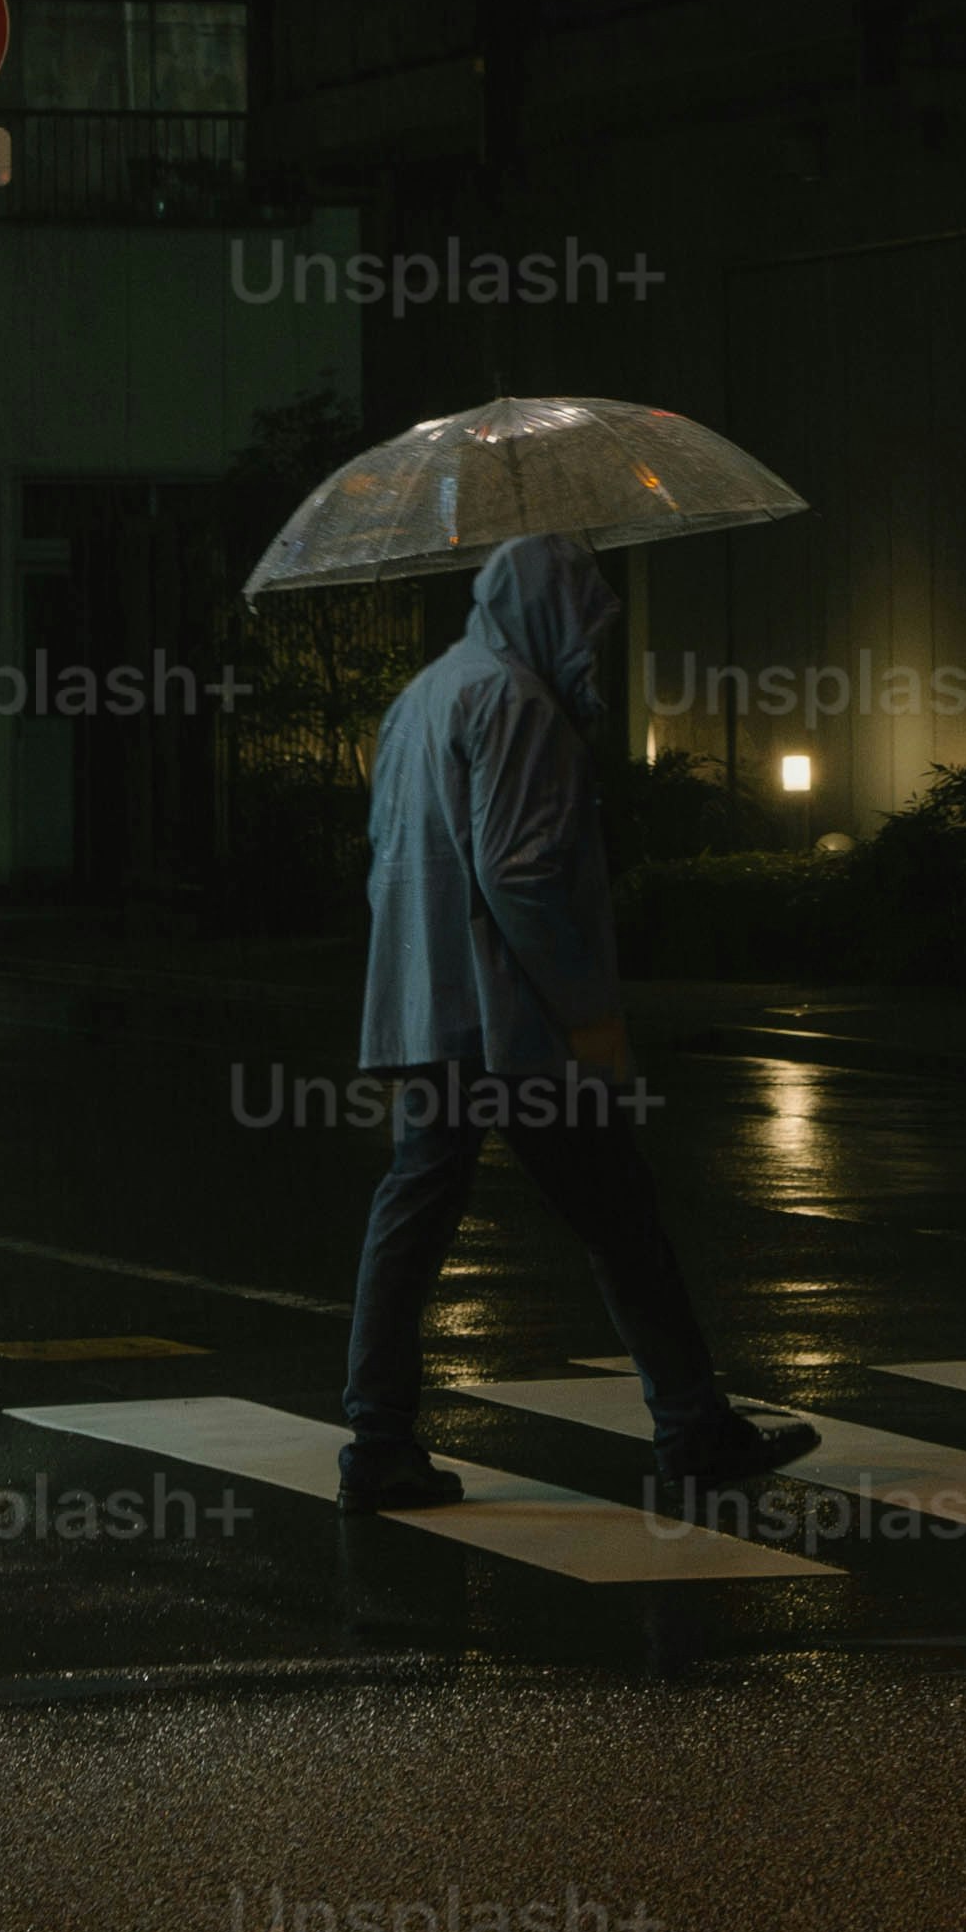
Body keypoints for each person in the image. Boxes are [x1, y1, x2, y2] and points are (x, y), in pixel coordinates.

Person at [336, 526, 817, 1517]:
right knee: (620, 1219)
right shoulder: (517, 703)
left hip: (430, 1007)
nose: (589, 643)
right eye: (583, 619)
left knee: (411, 1222)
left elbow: (388, 849)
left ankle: (377, 1439)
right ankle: (692, 1427)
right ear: (548, 611)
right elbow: (516, 876)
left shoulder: (425, 693)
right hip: (511, 1025)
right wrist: (588, 1016)